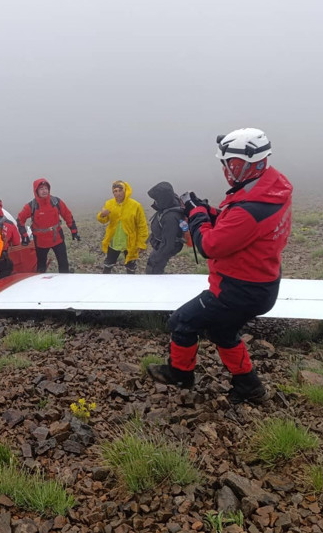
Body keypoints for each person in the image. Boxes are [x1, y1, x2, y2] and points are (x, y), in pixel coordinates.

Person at [148, 128, 292, 404]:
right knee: (221, 331)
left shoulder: (251, 208)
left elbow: (209, 245)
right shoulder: (269, 191)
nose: (225, 169)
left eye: (227, 163)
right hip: (261, 283)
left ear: (241, 164)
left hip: (237, 290)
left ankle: (180, 374)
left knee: (182, 321)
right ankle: (249, 386)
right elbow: (236, 224)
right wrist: (210, 211)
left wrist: (197, 214)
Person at [17, 179, 79, 274]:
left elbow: (67, 215)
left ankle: (65, 283)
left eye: (46, 188)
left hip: (57, 239)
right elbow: (20, 220)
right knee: (41, 267)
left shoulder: (56, 202)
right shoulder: (31, 206)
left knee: (64, 264)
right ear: (36, 191)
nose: (44, 191)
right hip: (41, 241)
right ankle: (41, 285)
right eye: (41, 189)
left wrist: (74, 230)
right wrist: (24, 236)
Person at [96, 180, 148, 274]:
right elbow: (103, 220)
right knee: (108, 265)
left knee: (131, 267)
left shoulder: (135, 205)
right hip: (114, 240)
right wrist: (102, 215)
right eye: (115, 191)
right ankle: (104, 285)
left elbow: (142, 225)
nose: (118, 193)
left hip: (129, 242)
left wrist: (141, 243)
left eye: (120, 190)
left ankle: (131, 285)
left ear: (126, 190)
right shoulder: (109, 204)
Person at [145, 181, 185, 274]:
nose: (155, 201)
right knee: (153, 265)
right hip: (161, 245)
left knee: (153, 270)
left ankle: (155, 284)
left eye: (157, 199)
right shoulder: (169, 204)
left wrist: (157, 259)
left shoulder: (170, 217)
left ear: (163, 199)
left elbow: (168, 244)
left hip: (164, 247)